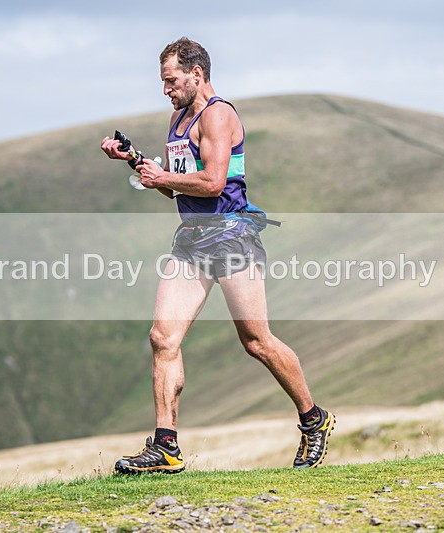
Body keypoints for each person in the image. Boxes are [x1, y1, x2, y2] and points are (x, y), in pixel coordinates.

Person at [100, 37, 334, 474]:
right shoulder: (177, 120)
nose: (165, 90)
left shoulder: (219, 115)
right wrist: (134, 161)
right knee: (162, 338)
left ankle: (314, 420)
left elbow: (212, 182)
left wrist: (162, 175)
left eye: (171, 81)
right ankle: (166, 447)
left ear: (197, 74)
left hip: (231, 237)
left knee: (257, 341)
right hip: (191, 239)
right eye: (163, 82)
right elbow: (172, 185)